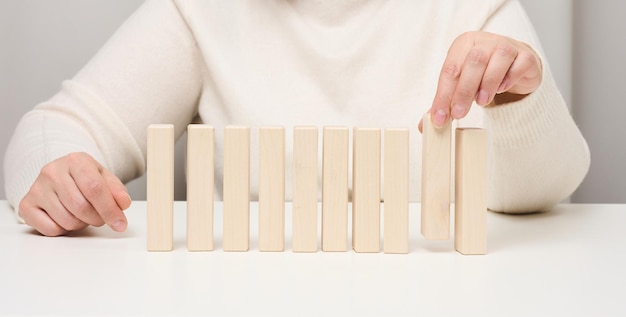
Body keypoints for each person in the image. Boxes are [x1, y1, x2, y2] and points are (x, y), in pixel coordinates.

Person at [4, 0, 590, 237]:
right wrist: (56, 170)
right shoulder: (199, 10)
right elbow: (54, 128)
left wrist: (518, 102)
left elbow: (543, 191)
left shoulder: (473, 6)